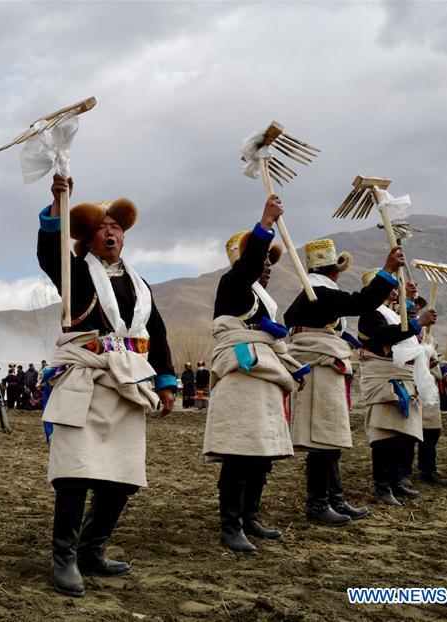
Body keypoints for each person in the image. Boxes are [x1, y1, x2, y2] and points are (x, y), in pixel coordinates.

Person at [38, 175, 176, 598]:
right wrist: (59, 206)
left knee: (121, 476)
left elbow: (158, 334)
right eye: (100, 226)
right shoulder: (74, 274)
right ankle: (63, 557)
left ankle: (92, 550)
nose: (110, 231)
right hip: (87, 380)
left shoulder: (141, 285)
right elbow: (48, 253)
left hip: (129, 384)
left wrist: (167, 381)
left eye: (115, 226)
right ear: (86, 238)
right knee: (75, 473)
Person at [202, 195, 310, 554]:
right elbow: (246, 269)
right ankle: (230, 525)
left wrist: (294, 369)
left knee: (261, 453)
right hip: (240, 376)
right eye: (261, 259)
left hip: (264, 377)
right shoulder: (231, 286)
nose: (267, 265)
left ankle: (249, 517)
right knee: (239, 452)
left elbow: (274, 342)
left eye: (268, 260)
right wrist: (265, 223)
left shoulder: (264, 301)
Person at [283, 239, 405, 525]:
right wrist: (387, 270)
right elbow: (361, 302)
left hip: (325, 366)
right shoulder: (319, 294)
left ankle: (334, 499)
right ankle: (318, 504)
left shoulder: (314, 296)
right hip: (319, 368)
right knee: (322, 439)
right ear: (334, 272)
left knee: (329, 438)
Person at [357, 271, 436, 506]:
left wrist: (422, 357)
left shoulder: (392, 312)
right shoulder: (369, 313)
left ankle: (395, 481)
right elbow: (384, 337)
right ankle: (381, 485)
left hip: (401, 376)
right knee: (385, 434)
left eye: (395, 287)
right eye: (390, 286)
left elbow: (405, 343)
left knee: (401, 435)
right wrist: (417, 323)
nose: (394, 290)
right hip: (384, 377)